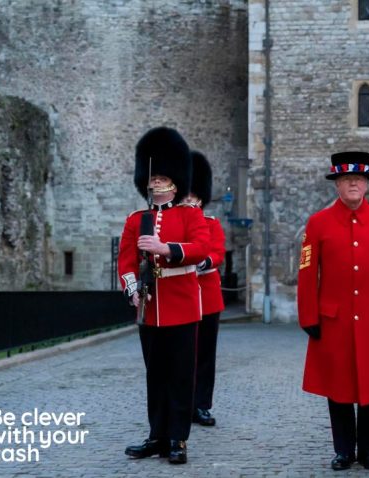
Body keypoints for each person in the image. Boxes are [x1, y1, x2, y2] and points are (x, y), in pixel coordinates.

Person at [297, 151, 369, 471]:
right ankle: (344, 450)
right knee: (339, 388)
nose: (354, 185)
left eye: (359, 179)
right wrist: (309, 316)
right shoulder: (318, 223)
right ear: (337, 185)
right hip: (334, 320)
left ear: (367, 184)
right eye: (347, 180)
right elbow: (307, 272)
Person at [119, 127, 211, 465]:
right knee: (155, 374)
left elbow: (200, 248)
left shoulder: (191, 215)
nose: (155, 182)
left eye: (161, 177)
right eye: (152, 176)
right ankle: (157, 435)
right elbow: (126, 260)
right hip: (150, 307)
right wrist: (132, 290)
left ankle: (178, 439)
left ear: (175, 180)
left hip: (183, 305)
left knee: (181, 374)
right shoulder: (136, 220)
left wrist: (165, 248)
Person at [183, 150, 227, 427]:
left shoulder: (212, 224)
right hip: (181, 300)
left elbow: (218, 252)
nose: (189, 202)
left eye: (193, 198)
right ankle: (182, 404)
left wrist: (204, 262)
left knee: (205, 357)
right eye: (185, 198)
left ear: (200, 199)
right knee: (183, 356)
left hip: (207, 298)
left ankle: (201, 405)